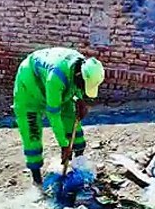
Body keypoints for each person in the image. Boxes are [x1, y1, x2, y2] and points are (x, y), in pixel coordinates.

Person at [13, 47, 104, 185]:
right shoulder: (56, 77)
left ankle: (78, 168)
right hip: (30, 90)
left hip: (60, 87)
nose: (83, 89)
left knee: (73, 121)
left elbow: (77, 85)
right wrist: (64, 145)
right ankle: (37, 181)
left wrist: (80, 100)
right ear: (79, 75)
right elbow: (53, 115)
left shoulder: (80, 66)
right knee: (32, 133)